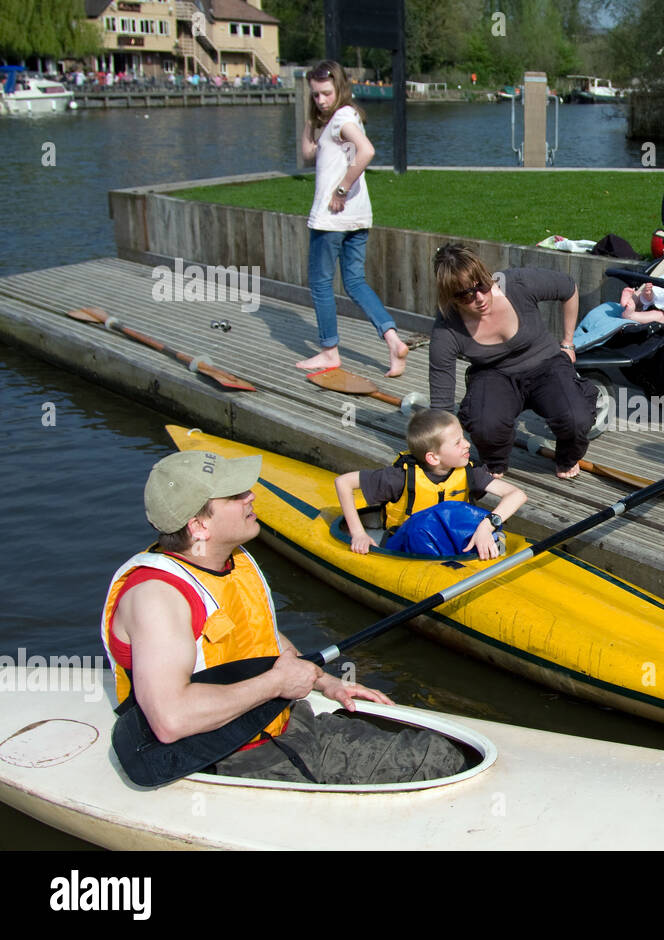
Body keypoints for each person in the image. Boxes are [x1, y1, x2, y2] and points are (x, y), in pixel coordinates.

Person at [101, 450, 466, 784]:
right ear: (198, 526)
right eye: (235, 496)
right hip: (231, 758)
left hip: (283, 724)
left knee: (446, 754)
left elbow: (261, 638)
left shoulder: (233, 559)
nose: (251, 496)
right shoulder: (157, 597)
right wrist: (276, 685)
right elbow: (171, 720)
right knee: (436, 762)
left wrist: (325, 682)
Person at [429, 243, 598, 479]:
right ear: (451, 298)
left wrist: (568, 341)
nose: (479, 298)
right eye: (466, 294)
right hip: (493, 373)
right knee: (485, 425)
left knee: (576, 418)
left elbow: (568, 287)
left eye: (482, 285)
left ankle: (567, 457)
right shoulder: (446, 329)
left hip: (546, 363)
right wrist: (441, 456)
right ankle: (495, 462)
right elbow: (441, 407)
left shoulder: (517, 283)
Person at [296, 59, 409, 378]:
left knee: (320, 283)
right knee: (355, 282)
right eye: (315, 95)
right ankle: (393, 340)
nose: (321, 100)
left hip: (332, 219)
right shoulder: (344, 118)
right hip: (358, 218)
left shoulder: (341, 121)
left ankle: (329, 351)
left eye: (326, 94)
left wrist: (341, 189)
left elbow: (367, 151)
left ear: (340, 89)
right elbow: (307, 154)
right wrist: (310, 117)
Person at [335, 408, 526, 556]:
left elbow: (517, 495)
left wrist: (487, 525)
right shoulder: (399, 477)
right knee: (428, 520)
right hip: (407, 545)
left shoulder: (470, 471)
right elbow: (343, 482)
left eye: (464, 437)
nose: (467, 444)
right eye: (457, 442)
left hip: (449, 541)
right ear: (433, 458)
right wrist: (358, 533)